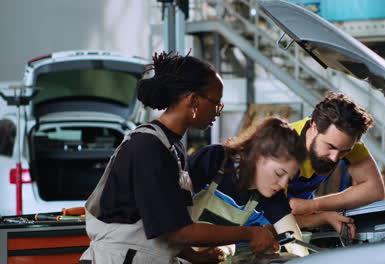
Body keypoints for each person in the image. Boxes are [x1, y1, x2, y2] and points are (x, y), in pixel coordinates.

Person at [79, 51, 279, 264]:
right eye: (216, 103)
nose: (217, 112)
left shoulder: (172, 148)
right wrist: (248, 233)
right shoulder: (148, 147)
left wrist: (194, 256)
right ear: (193, 100)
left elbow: (161, 224)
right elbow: (179, 231)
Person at [188, 117, 309, 257]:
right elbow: (171, 218)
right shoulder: (214, 159)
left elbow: (294, 242)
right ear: (258, 156)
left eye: (289, 178)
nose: (283, 184)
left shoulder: (270, 192)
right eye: (279, 173)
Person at [287, 92, 385, 238]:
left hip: (298, 225)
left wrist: (314, 205)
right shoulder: (282, 149)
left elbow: (375, 190)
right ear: (313, 127)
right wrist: (322, 217)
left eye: (344, 152)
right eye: (330, 147)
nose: (335, 158)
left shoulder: (343, 140)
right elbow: (273, 218)